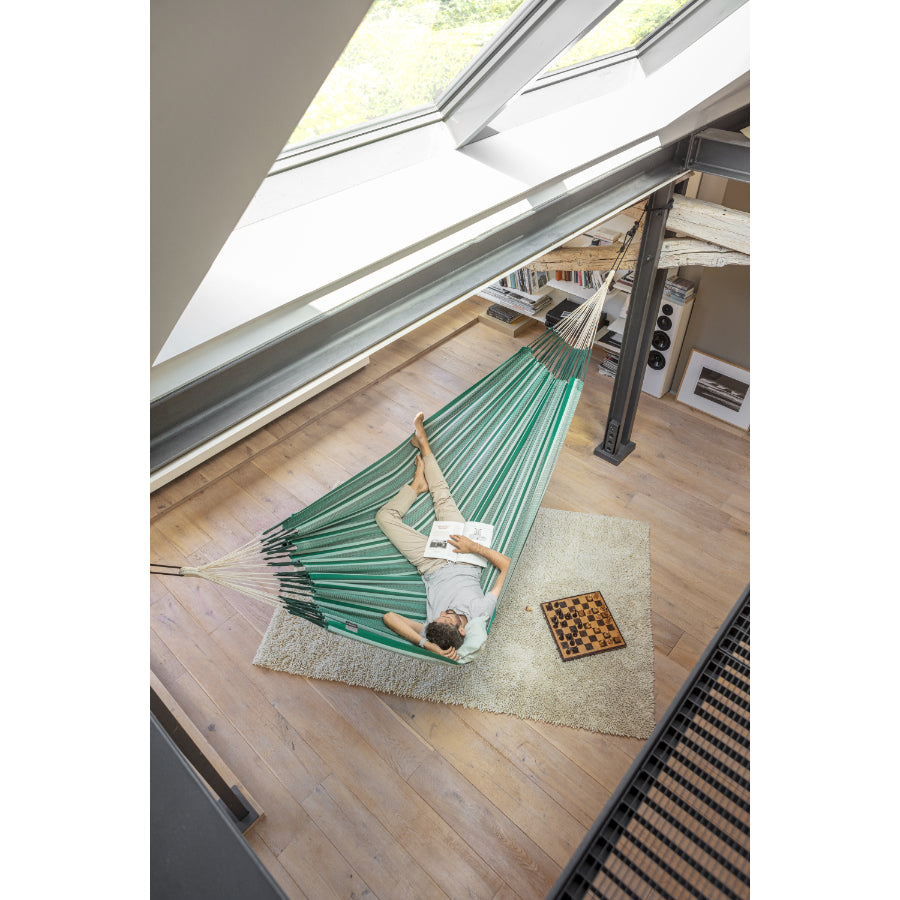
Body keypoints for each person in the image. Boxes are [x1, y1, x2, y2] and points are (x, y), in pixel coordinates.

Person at [376, 412, 511, 661]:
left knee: (384, 518)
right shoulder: (481, 612)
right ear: (462, 629)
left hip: (430, 563)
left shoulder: (433, 629)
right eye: (447, 616)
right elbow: (506, 566)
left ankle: (416, 487)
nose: (442, 612)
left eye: (438, 617)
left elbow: (389, 618)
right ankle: (424, 444)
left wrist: (425, 644)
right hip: (465, 554)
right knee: (442, 497)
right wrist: (474, 547)